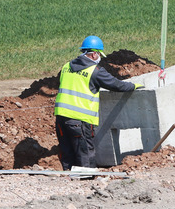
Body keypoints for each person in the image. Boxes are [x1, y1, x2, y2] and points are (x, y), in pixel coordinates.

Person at [54, 35, 143, 171]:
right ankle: (86, 180)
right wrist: (133, 86)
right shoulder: (95, 71)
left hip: (61, 117)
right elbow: (116, 85)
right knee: (85, 153)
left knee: (67, 152)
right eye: (99, 54)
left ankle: (68, 179)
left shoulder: (66, 67)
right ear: (94, 54)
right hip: (80, 120)